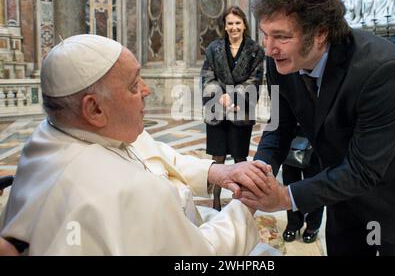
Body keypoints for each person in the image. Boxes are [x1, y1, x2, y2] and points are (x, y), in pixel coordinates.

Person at [238, 0, 395, 256]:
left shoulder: (381, 69)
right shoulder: (280, 64)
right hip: (342, 188)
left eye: (281, 36)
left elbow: (365, 169)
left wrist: (285, 197)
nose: (269, 47)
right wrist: (259, 172)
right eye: (265, 34)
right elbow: (279, 126)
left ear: (320, 33)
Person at [0, 34, 274, 255]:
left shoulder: (56, 133)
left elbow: (154, 155)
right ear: (94, 109)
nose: (146, 90)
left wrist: (217, 172)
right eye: (133, 85)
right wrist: (244, 206)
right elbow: (204, 254)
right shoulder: (126, 191)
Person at [201, 6, 265, 211]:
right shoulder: (213, 48)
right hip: (217, 109)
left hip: (242, 110)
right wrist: (220, 95)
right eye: (230, 23)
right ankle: (216, 201)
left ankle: (240, 200)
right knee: (217, 158)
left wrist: (235, 95)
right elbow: (207, 75)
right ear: (225, 26)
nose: (234, 27)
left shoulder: (255, 50)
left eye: (238, 23)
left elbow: (256, 78)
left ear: (244, 25)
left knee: (239, 158)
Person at [276, 129, 324, 244]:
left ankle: (313, 225)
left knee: (315, 186)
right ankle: (294, 223)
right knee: (290, 184)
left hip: (317, 140)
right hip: (291, 138)